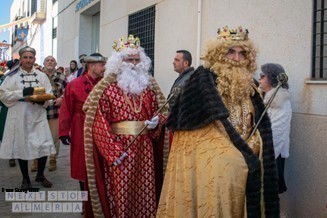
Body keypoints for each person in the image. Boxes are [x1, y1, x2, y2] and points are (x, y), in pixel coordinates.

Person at [157, 26, 280, 217]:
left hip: (246, 153)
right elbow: (198, 133)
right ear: (219, 53)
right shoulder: (201, 81)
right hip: (216, 164)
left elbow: (256, 124)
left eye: (242, 53)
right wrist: (238, 155)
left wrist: (254, 144)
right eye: (231, 52)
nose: (237, 59)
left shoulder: (250, 85)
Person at [82, 35, 169, 217]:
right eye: (129, 59)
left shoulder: (148, 87)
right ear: (119, 61)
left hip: (145, 149)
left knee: (146, 190)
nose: (134, 63)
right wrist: (113, 152)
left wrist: (157, 121)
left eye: (137, 59)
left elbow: (160, 112)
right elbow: (99, 123)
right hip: (120, 149)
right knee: (122, 192)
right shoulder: (107, 89)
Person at [0, 46, 56, 189]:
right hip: (20, 116)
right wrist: (21, 93)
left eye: (31, 57)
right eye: (25, 57)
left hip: (38, 116)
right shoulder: (11, 76)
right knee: (22, 146)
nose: (28, 60)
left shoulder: (41, 76)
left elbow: (49, 93)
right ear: (21, 59)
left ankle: (40, 175)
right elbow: (3, 95)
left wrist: (43, 101)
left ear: (34, 59)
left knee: (43, 145)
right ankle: (25, 179)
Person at [59, 53, 107, 194]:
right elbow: (66, 109)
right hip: (80, 127)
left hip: (102, 128)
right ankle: (85, 200)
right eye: (102, 65)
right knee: (83, 163)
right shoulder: (74, 84)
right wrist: (63, 132)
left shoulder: (106, 84)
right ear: (91, 66)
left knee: (101, 162)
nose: (105, 68)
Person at [259, 63, 292, 194]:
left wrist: (265, 157)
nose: (259, 78)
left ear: (272, 79)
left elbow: (278, 133)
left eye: (263, 76)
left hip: (271, 154)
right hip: (261, 152)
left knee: (269, 194)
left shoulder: (281, 101)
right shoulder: (265, 97)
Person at [40, 56, 67, 171]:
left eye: (52, 60)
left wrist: (62, 99)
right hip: (39, 111)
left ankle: (52, 159)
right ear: (44, 63)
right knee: (38, 137)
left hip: (55, 111)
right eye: (48, 60)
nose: (50, 62)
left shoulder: (62, 77)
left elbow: (68, 93)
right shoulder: (38, 75)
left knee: (54, 137)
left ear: (56, 64)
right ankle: (37, 160)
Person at [0, 59, 20, 167]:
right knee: (7, 131)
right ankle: (11, 155)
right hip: (6, 108)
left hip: (18, 107)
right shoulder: (5, 78)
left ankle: (16, 153)